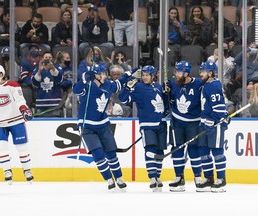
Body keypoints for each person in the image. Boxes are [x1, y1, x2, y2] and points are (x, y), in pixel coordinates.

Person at [72, 63, 136, 191]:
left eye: (105, 73)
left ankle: (118, 177)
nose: (105, 75)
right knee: (98, 153)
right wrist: (84, 78)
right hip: (87, 126)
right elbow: (75, 90)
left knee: (111, 153)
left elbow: (119, 83)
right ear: (95, 75)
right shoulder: (87, 86)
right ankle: (109, 179)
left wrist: (129, 74)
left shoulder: (108, 85)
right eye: (102, 73)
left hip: (103, 124)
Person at [119, 65, 167, 192]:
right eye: (143, 75)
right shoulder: (138, 87)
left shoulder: (158, 86)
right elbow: (122, 99)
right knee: (150, 150)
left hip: (161, 124)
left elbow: (165, 105)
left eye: (147, 75)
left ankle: (158, 176)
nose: (145, 77)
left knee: (160, 151)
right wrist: (128, 88)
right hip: (147, 125)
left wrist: (167, 93)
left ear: (153, 76)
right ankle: (152, 177)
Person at [167, 61, 205, 192]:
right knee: (177, 149)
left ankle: (198, 177)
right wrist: (164, 90)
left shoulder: (199, 84)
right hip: (177, 122)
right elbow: (168, 100)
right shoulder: (173, 83)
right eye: (176, 72)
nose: (176, 74)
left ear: (186, 74)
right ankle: (179, 178)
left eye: (178, 72)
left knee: (194, 149)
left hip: (194, 123)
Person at [0, 64, 34, 184]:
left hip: (16, 120)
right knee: (1, 148)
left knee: (22, 148)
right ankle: (7, 170)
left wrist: (24, 109)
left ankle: (27, 170)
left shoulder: (12, 85)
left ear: (2, 74)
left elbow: (20, 100)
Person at [197, 61, 229, 192]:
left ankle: (221, 179)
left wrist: (213, 120)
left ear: (210, 73)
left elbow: (220, 108)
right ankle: (209, 177)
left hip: (215, 124)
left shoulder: (214, 85)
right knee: (203, 151)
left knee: (217, 152)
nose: (201, 74)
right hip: (205, 123)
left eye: (203, 71)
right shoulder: (206, 85)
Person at [31, 51, 64, 117]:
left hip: (55, 105)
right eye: (46, 57)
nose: (48, 59)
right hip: (41, 104)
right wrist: (39, 71)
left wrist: (53, 69)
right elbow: (34, 83)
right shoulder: (36, 69)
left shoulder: (58, 68)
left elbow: (60, 80)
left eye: (50, 57)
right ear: (42, 59)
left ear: (52, 59)